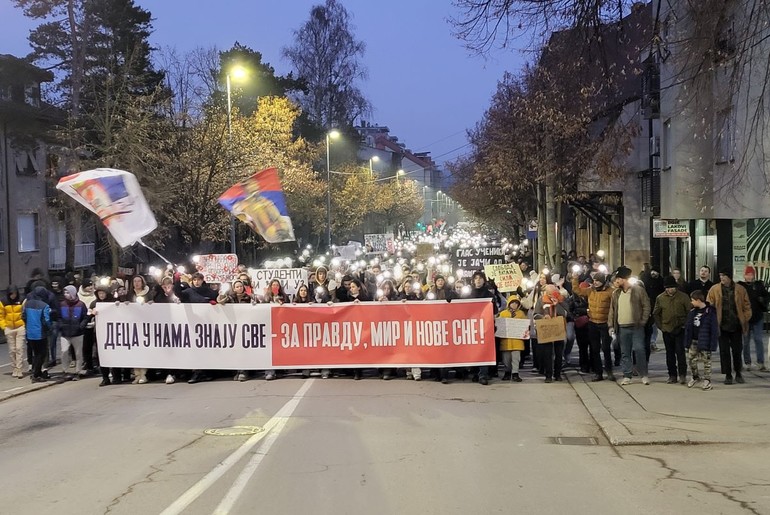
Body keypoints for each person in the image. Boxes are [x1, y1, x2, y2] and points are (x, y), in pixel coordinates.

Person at [707, 268, 752, 385]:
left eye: (724, 276)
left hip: (736, 325)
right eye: (720, 276)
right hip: (721, 326)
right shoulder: (714, 289)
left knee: (737, 350)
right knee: (724, 351)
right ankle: (727, 374)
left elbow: (747, 306)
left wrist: (745, 317)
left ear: (729, 277)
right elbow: (709, 305)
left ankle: (738, 372)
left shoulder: (740, 289)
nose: (721, 278)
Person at [608, 266, 651, 386]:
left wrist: (643, 321)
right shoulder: (616, 293)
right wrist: (611, 325)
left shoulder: (638, 290)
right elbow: (612, 310)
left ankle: (644, 374)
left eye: (618, 279)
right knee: (625, 352)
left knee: (639, 349)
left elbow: (646, 306)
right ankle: (627, 375)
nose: (616, 282)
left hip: (637, 326)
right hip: (622, 327)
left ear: (623, 279)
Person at [653, 275, 692, 384]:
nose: (669, 290)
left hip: (680, 328)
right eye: (667, 288)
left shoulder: (683, 297)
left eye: (671, 287)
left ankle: (682, 374)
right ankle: (672, 375)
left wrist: (685, 325)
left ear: (675, 287)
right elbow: (656, 313)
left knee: (680, 352)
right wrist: (661, 326)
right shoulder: (660, 298)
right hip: (667, 329)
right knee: (669, 354)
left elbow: (689, 311)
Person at [683, 290, 719, 390]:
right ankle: (695, 376)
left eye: (693, 300)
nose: (691, 302)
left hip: (705, 340)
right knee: (691, 360)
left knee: (706, 361)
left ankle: (707, 380)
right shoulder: (692, 312)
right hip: (693, 341)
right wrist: (687, 342)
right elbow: (688, 328)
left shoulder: (710, 312)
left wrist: (713, 343)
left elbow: (714, 329)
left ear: (698, 300)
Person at [738, 266, 768, 371]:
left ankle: (760, 362)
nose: (749, 276)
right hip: (746, 319)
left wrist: (763, 301)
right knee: (745, 341)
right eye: (747, 274)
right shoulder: (740, 286)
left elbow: (767, 296)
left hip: (758, 317)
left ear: (753, 275)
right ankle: (747, 362)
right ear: (744, 275)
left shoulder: (759, 286)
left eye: (751, 274)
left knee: (758, 339)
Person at [470, 270, 497, 385]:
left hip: (486, 327)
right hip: (472, 327)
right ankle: (475, 372)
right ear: (473, 281)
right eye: (476, 278)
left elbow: (494, 312)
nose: (478, 280)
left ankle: (483, 374)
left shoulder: (489, 296)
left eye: (480, 278)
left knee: (484, 351)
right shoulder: (468, 295)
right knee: (474, 351)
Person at [59, 285, 89, 380]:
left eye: (67, 292)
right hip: (65, 332)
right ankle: (65, 370)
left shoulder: (81, 305)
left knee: (78, 353)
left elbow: (85, 317)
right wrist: (61, 325)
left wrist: (81, 326)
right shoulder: (62, 304)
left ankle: (78, 371)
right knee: (64, 351)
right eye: (65, 293)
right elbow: (58, 317)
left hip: (77, 333)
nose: (65, 294)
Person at [22, 286, 52, 382]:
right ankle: (36, 375)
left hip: (30, 333)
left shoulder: (27, 304)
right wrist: (49, 328)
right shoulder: (44, 305)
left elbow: (23, 316)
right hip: (40, 333)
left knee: (35, 353)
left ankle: (36, 373)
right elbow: (46, 320)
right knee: (41, 354)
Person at [497, 296, 526, 382]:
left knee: (516, 358)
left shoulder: (521, 314)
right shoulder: (503, 313)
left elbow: (525, 325)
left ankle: (515, 373)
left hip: (517, 341)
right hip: (506, 341)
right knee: (506, 359)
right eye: (513, 303)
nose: (514, 304)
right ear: (509, 304)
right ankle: (507, 372)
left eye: (516, 303)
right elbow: (499, 325)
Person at [1, 286, 26, 378]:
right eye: (11, 294)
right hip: (9, 328)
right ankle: (14, 368)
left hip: (20, 327)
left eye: (14, 294)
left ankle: (19, 368)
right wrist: (4, 326)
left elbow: (25, 313)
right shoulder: (3, 302)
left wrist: (24, 325)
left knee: (19, 348)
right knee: (12, 350)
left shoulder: (22, 300)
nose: (13, 296)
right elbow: (1, 315)